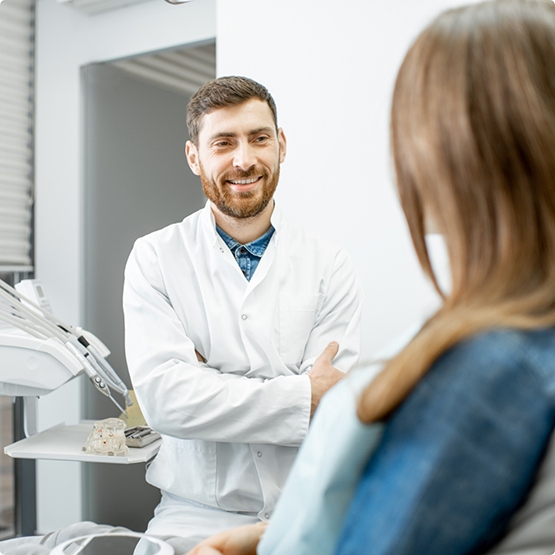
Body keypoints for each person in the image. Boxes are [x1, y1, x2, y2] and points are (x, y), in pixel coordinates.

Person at [185, 1, 555, 554]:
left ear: (453, 150)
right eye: (223, 143)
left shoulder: (493, 367)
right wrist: (269, 536)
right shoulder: (503, 334)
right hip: (209, 509)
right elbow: (173, 399)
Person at [122, 76, 363, 549]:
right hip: (192, 515)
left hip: (306, 506)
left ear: (282, 145)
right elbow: (167, 402)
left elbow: (331, 404)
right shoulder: (155, 257)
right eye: (223, 143)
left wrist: (209, 380)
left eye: (259, 138)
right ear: (195, 157)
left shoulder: (330, 264)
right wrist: (299, 392)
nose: (244, 159)